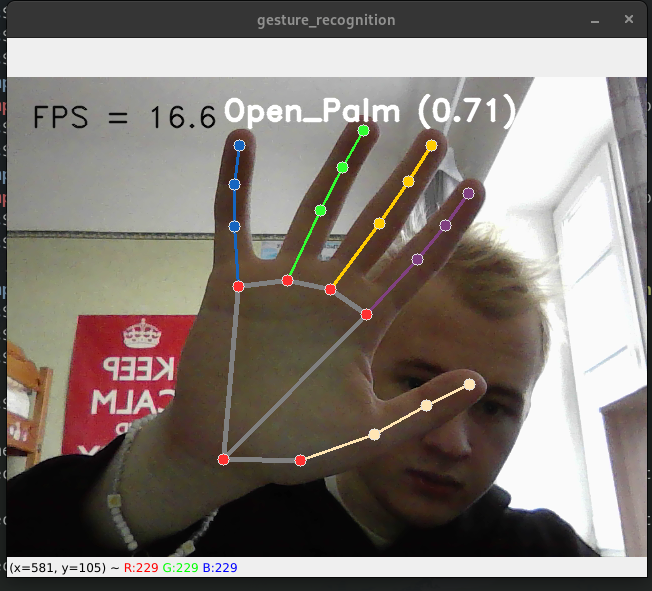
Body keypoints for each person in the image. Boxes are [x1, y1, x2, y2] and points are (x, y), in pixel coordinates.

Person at [8, 122, 598, 557]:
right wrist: (175, 468)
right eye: (417, 383)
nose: (452, 442)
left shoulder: (546, 554)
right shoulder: (214, 518)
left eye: (494, 407)